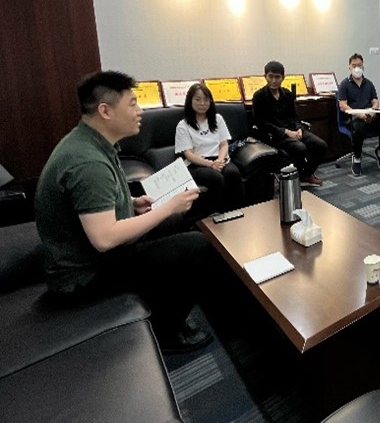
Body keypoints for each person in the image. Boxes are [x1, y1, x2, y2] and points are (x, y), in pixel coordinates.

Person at [34, 71, 211, 353]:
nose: (140, 111)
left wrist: (131, 201)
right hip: (84, 277)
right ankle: (167, 333)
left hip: (94, 256)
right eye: (132, 104)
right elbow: (104, 238)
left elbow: (92, 200)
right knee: (198, 246)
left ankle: (161, 302)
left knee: (173, 222)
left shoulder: (91, 142)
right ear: (105, 111)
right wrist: (168, 206)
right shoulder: (87, 162)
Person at [252, 60, 327, 185]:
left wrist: (299, 128)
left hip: (293, 130)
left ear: (283, 78)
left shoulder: (287, 94)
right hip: (275, 135)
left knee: (321, 145)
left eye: (277, 77)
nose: (274, 80)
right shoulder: (259, 96)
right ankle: (296, 176)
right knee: (300, 148)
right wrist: (286, 132)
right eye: (270, 76)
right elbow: (261, 124)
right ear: (265, 76)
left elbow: (294, 117)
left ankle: (306, 174)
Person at [175, 83, 244, 214]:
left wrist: (220, 160)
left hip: (219, 159)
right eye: (198, 99)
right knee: (216, 178)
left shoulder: (218, 119)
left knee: (233, 173)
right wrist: (210, 164)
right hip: (197, 164)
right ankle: (216, 215)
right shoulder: (183, 125)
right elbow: (189, 154)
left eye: (206, 100)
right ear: (190, 101)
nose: (202, 103)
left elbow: (224, 144)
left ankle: (237, 212)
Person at [337, 53, 380, 177]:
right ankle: (357, 157)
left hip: (369, 116)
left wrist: (373, 110)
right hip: (354, 118)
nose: (357, 68)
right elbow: (343, 105)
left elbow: (375, 101)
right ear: (349, 67)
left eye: (359, 65)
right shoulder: (344, 84)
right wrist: (358, 114)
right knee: (359, 126)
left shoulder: (369, 84)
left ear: (363, 66)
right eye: (354, 65)